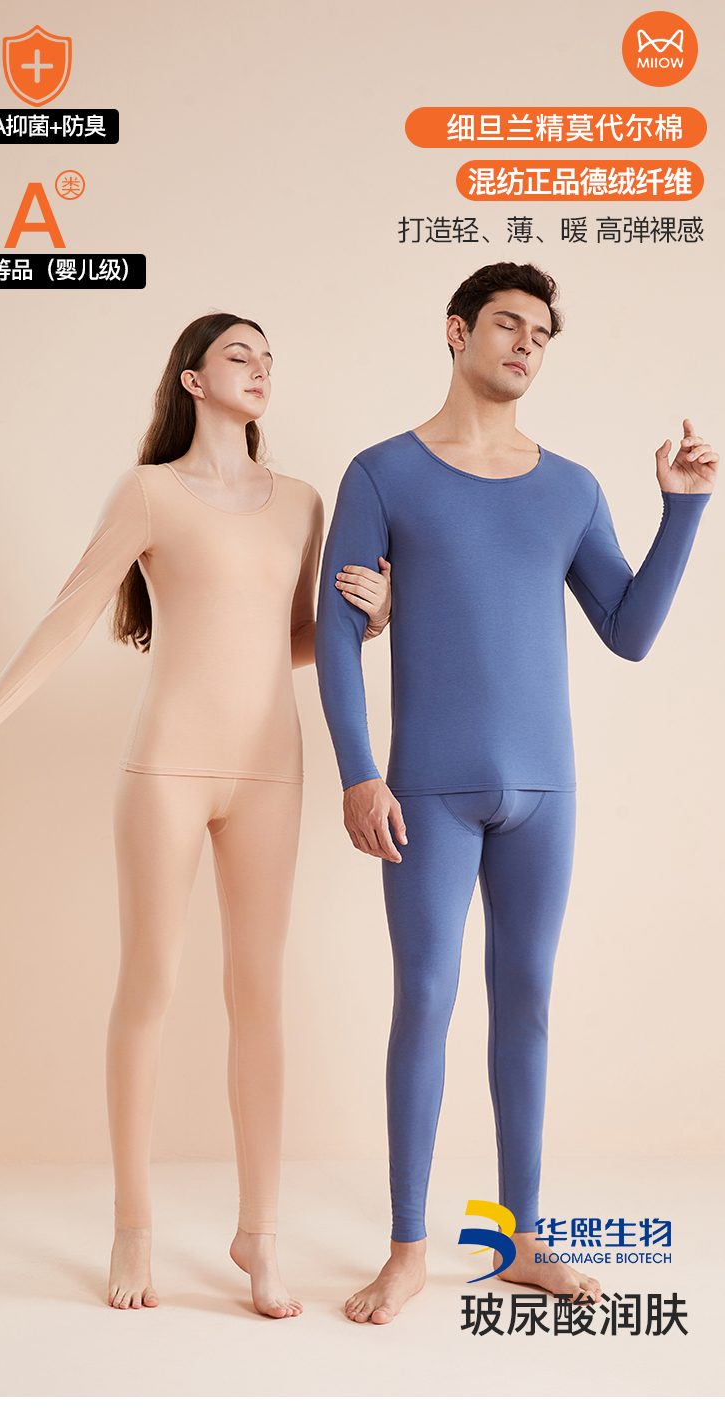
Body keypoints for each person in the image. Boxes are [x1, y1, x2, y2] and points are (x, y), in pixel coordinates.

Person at [0, 312, 392, 1315]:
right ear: (192, 378)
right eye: (239, 355)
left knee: (259, 997)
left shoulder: (302, 502)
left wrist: (369, 620)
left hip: (270, 772)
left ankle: (258, 1237)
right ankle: (132, 1226)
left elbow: (296, 639)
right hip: (167, 770)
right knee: (149, 984)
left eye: (268, 359)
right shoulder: (148, 492)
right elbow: (65, 618)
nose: (260, 369)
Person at [315, 262, 717, 1324]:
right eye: (507, 324)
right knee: (426, 997)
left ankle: (522, 1240)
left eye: (541, 333)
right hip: (426, 790)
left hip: (546, 790)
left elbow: (629, 632)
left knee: (526, 998)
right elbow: (335, 633)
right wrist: (359, 771)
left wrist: (683, 510)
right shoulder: (382, 474)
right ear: (457, 332)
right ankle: (408, 1249)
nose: (526, 344)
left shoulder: (571, 488)